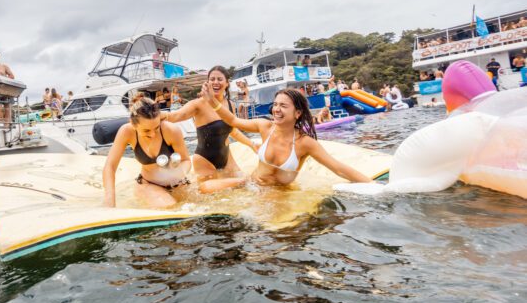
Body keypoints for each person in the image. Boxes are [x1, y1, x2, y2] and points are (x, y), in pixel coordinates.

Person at [197, 85, 371, 193]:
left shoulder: (305, 143)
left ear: (297, 113)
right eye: (276, 105)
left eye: (283, 106)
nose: (276, 110)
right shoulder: (265, 127)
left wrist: (374, 185)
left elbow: (338, 168)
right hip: (250, 184)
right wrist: (214, 103)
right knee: (204, 188)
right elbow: (233, 121)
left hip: (279, 194)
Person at [163, 65, 258, 184]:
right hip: (205, 160)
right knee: (213, 198)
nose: (215, 82)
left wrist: (252, 144)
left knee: (247, 184)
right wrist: (151, 115)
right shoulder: (198, 104)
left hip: (227, 158)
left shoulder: (230, 104)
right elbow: (174, 116)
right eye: (212, 79)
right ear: (207, 83)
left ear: (227, 83)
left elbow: (233, 131)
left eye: (219, 79)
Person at [103, 95, 191, 208]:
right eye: (146, 130)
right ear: (133, 124)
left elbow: (186, 160)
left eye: (156, 128)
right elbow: (110, 166)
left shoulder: (171, 130)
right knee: (169, 207)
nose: (152, 134)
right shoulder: (126, 131)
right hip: (149, 184)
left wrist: (179, 173)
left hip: (177, 183)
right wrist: (109, 200)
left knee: (190, 212)